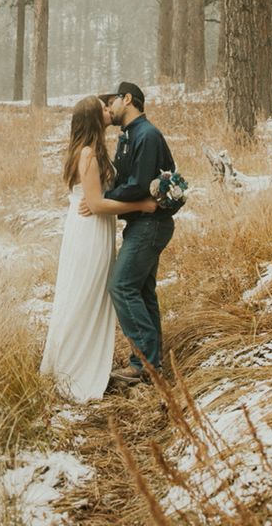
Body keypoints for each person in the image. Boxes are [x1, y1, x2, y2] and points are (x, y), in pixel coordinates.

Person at [40, 95, 157, 402]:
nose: (109, 111)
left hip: (95, 230)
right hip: (89, 234)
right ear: (94, 117)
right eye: (103, 109)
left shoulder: (93, 150)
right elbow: (95, 204)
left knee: (89, 297)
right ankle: (74, 370)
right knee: (85, 297)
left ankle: (83, 362)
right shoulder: (88, 154)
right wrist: (142, 205)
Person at [80, 81, 179, 386]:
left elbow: (137, 184)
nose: (108, 109)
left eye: (111, 103)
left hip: (152, 225)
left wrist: (101, 201)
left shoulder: (146, 135)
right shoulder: (128, 136)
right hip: (140, 223)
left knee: (122, 287)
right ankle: (152, 366)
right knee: (142, 292)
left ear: (128, 99)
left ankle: (144, 365)